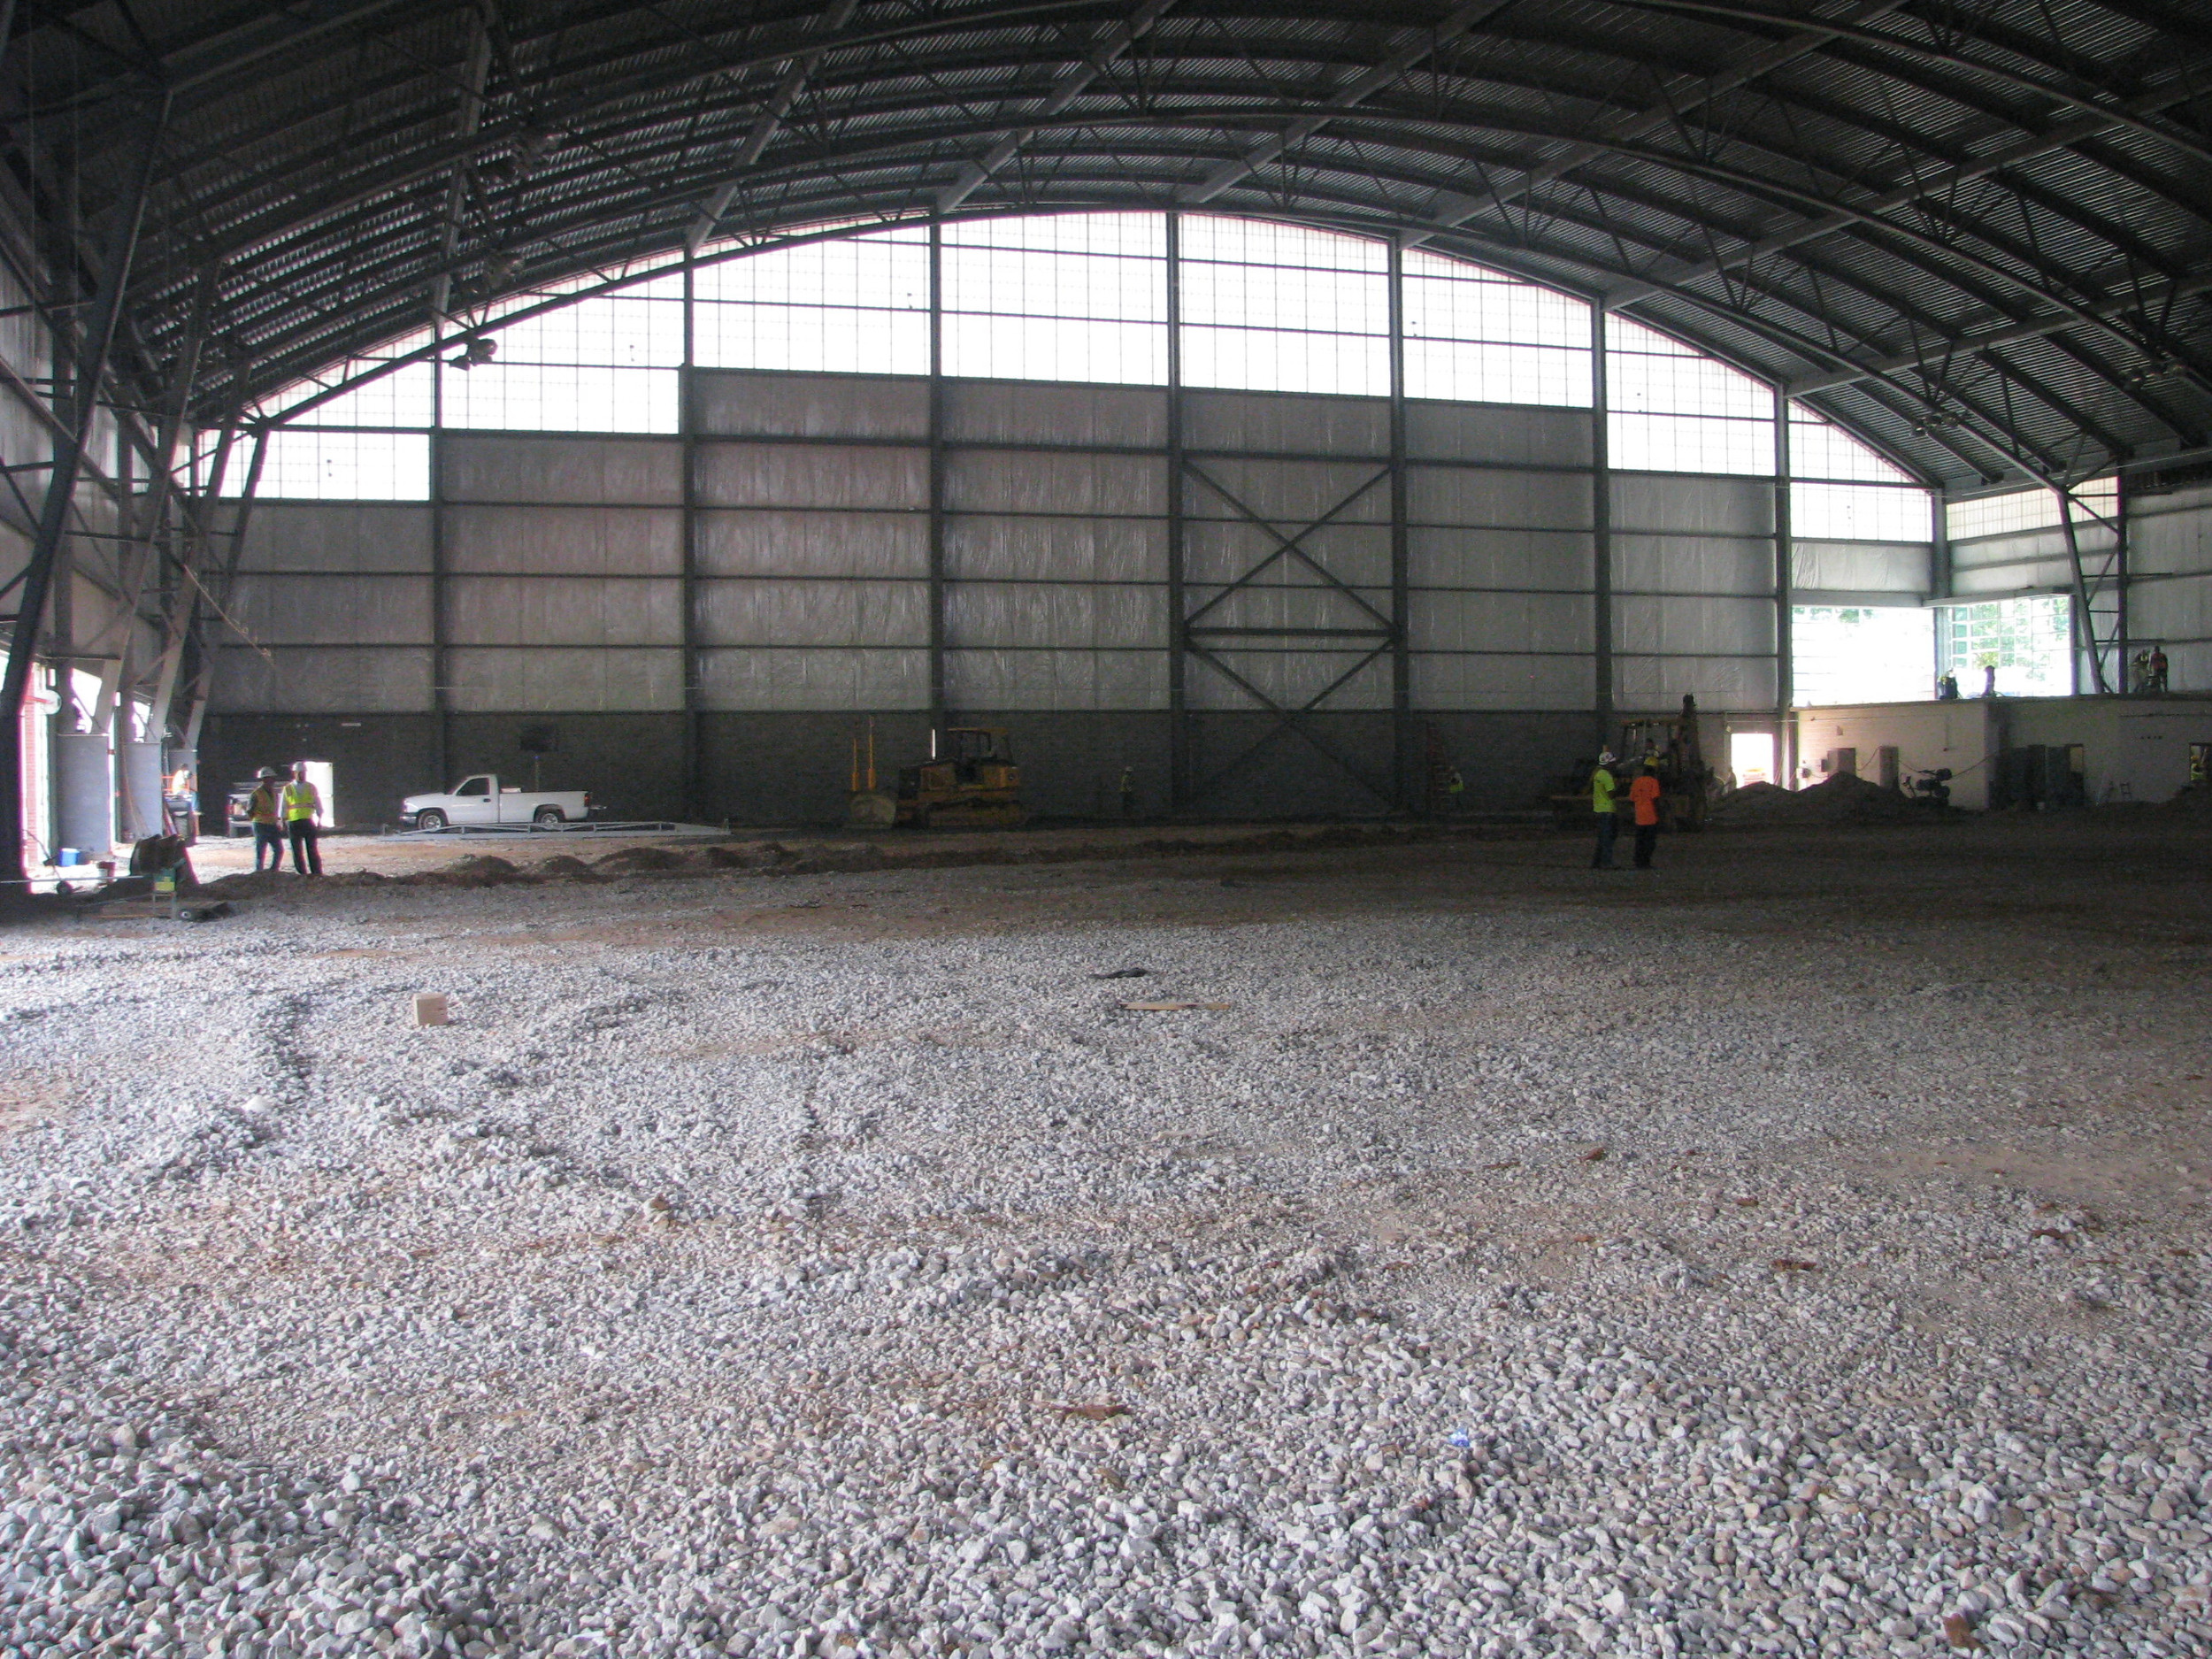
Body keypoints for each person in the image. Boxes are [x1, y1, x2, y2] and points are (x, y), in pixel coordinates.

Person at [281, 763, 323, 876]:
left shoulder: (311, 787)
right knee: (297, 851)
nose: (302, 775)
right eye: (299, 773)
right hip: (293, 822)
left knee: (312, 849)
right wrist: (283, 820)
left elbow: (317, 803)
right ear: (294, 773)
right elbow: (284, 805)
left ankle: (316, 872)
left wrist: (320, 818)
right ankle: (302, 873)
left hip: (307, 821)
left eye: (303, 773)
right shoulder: (288, 788)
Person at [246, 767, 284, 872]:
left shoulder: (274, 793)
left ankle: (274, 870)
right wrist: (257, 820)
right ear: (264, 779)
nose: (272, 781)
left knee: (279, 850)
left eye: (272, 779)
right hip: (260, 824)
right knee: (261, 851)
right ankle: (259, 872)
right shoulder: (256, 793)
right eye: (270, 779)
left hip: (272, 824)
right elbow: (250, 810)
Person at [1589, 749, 1621, 869]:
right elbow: (1611, 794)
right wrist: (1618, 786)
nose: (1614, 764)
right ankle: (1607, 862)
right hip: (1607, 810)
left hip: (1599, 809)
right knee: (1608, 838)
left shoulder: (1598, 774)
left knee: (1603, 838)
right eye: (1612, 762)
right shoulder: (1607, 776)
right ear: (1608, 763)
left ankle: (1597, 862)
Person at [1629, 762, 1663, 869]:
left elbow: (1632, 799)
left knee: (1639, 841)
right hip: (1651, 817)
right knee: (1650, 842)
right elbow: (1655, 799)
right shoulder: (1653, 782)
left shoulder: (1637, 782)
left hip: (1639, 817)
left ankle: (1638, 861)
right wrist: (1659, 815)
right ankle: (1645, 862)